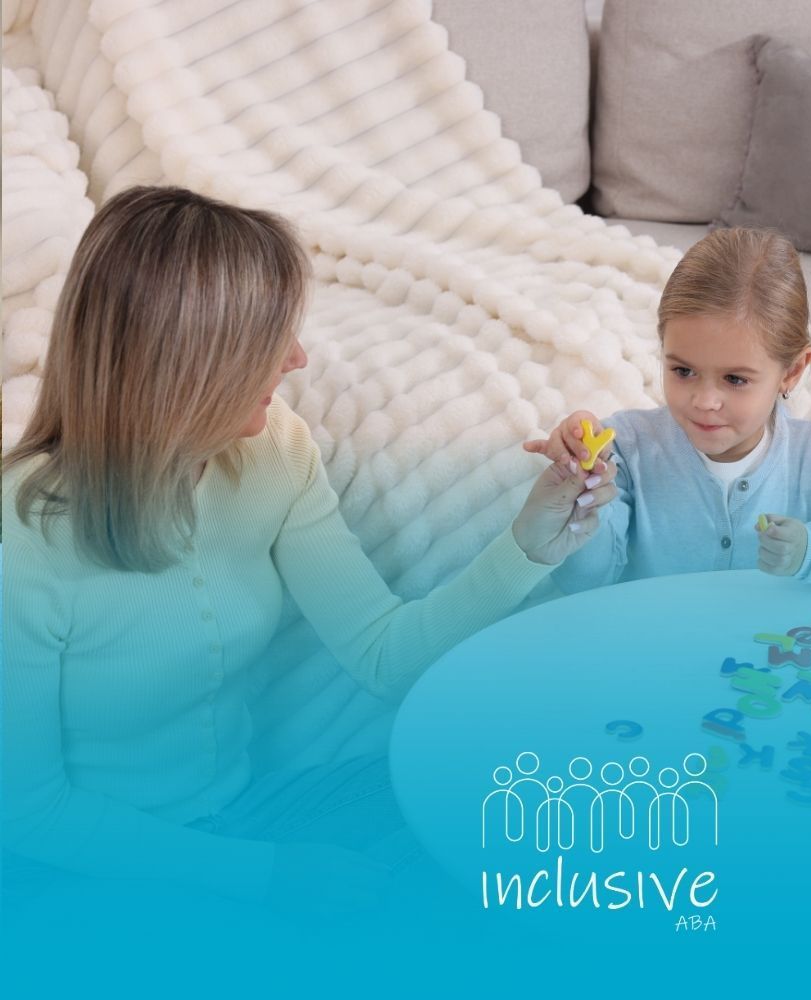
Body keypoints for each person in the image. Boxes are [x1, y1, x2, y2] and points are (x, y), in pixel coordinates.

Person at [1, 185, 616, 912]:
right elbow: (28, 813)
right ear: (190, 365)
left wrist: (532, 541)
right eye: (270, 342)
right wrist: (265, 877)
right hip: (85, 877)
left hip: (245, 823)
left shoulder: (275, 451)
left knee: (503, 797)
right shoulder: (24, 539)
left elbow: (386, 656)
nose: (296, 359)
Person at [524, 227, 811, 594]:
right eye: (683, 370)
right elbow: (587, 583)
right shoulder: (627, 450)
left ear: (792, 371)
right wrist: (581, 511)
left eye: (735, 380)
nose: (705, 401)